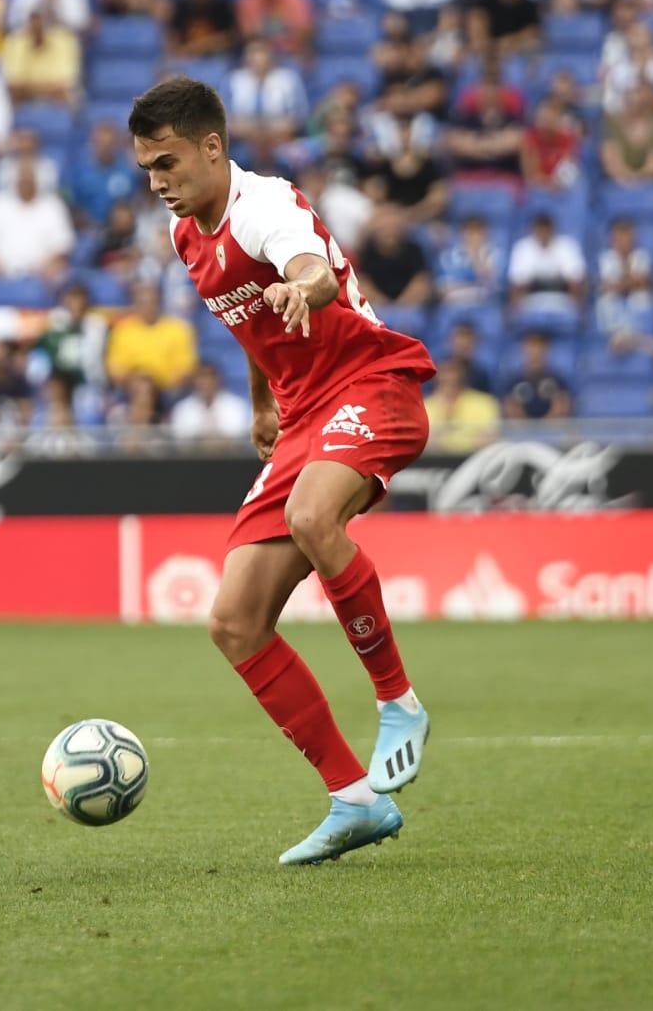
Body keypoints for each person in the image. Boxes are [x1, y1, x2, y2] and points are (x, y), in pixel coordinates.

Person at [130, 77, 437, 865]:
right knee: (233, 622)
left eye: (167, 162)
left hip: (371, 387)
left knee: (311, 517)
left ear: (211, 145)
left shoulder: (264, 205)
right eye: (145, 170)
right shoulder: (184, 237)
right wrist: (262, 401)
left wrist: (300, 286)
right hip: (301, 419)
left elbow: (316, 273)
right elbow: (245, 322)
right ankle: (352, 798)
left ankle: (396, 701)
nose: (157, 182)